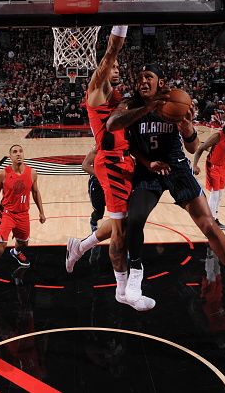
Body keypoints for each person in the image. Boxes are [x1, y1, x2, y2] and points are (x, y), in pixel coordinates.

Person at [106, 64, 225, 309]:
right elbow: (113, 125)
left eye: (149, 76)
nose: (143, 80)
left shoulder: (175, 101)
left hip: (177, 169)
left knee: (208, 224)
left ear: (160, 83)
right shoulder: (131, 105)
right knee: (135, 218)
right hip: (148, 170)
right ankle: (135, 271)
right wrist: (148, 159)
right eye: (140, 77)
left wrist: (188, 130)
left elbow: (194, 147)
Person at [65, 25, 156, 311]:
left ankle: (80, 246)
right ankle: (122, 289)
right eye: (111, 67)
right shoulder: (97, 90)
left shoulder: (116, 95)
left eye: (118, 68)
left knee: (125, 223)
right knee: (122, 234)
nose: (115, 69)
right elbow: (110, 52)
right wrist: (121, 24)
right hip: (111, 164)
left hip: (125, 161)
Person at [0, 145, 46, 295]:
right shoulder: (3, 174)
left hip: (23, 214)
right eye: (15, 152)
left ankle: (15, 251)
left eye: (20, 151)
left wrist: (41, 212)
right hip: (7, 213)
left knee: (24, 243)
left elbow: (36, 192)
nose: (18, 154)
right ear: (10, 157)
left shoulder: (32, 172)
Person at [81, 145, 105, 263]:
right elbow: (85, 166)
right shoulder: (97, 148)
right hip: (97, 184)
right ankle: (93, 224)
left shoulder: (120, 146)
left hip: (113, 184)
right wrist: (102, 175)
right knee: (99, 213)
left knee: (121, 213)